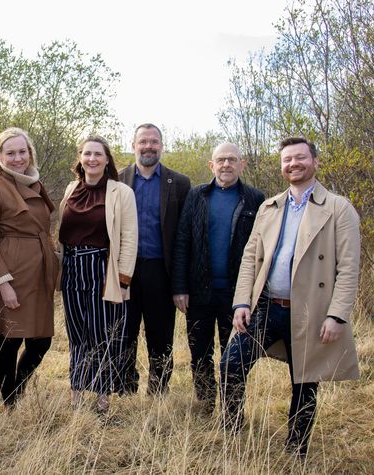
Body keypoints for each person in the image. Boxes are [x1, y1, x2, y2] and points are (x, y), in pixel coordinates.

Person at [221, 137, 361, 457]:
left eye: (300, 158)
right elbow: (250, 259)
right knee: (231, 363)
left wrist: (337, 315)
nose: (293, 164)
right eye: (287, 160)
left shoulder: (339, 209)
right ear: (281, 165)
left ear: (314, 161)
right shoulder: (270, 207)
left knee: (304, 382)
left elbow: (349, 268)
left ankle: (295, 449)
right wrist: (242, 302)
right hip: (267, 305)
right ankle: (232, 427)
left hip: (311, 310)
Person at [171, 143, 264, 413]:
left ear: (241, 164)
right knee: (199, 352)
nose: (226, 164)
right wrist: (180, 287)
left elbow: (262, 249)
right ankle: (205, 402)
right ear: (211, 165)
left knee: (233, 355)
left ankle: (231, 408)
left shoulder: (255, 199)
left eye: (232, 160)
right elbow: (182, 242)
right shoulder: (197, 196)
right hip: (199, 292)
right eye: (220, 160)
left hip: (237, 296)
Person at [0, 127, 59, 408]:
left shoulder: (34, 183)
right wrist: (2, 281)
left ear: (30, 153)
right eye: (10, 153)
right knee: (10, 340)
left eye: (22, 151)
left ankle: (17, 389)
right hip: (11, 274)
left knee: (41, 340)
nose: (17, 158)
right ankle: (9, 402)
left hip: (38, 274)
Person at [57, 135, 137, 414]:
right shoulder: (70, 189)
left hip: (102, 269)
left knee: (102, 334)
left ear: (106, 159)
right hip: (71, 268)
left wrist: (124, 280)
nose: (92, 159)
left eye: (98, 154)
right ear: (80, 157)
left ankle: (102, 400)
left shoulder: (120, 192)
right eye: (87, 154)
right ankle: (77, 395)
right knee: (77, 334)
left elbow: (129, 238)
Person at [118, 123, 190, 395]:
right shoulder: (118, 179)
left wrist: (181, 284)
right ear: (133, 145)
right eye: (143, 141)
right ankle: (125, 388)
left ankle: (158, 391)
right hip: (125, 270)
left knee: (160, 336)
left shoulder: (179, 183)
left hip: (161, 272)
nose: (148, 146)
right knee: (124, 333)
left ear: (161, 145)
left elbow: (183, 238)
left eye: (154, 141)